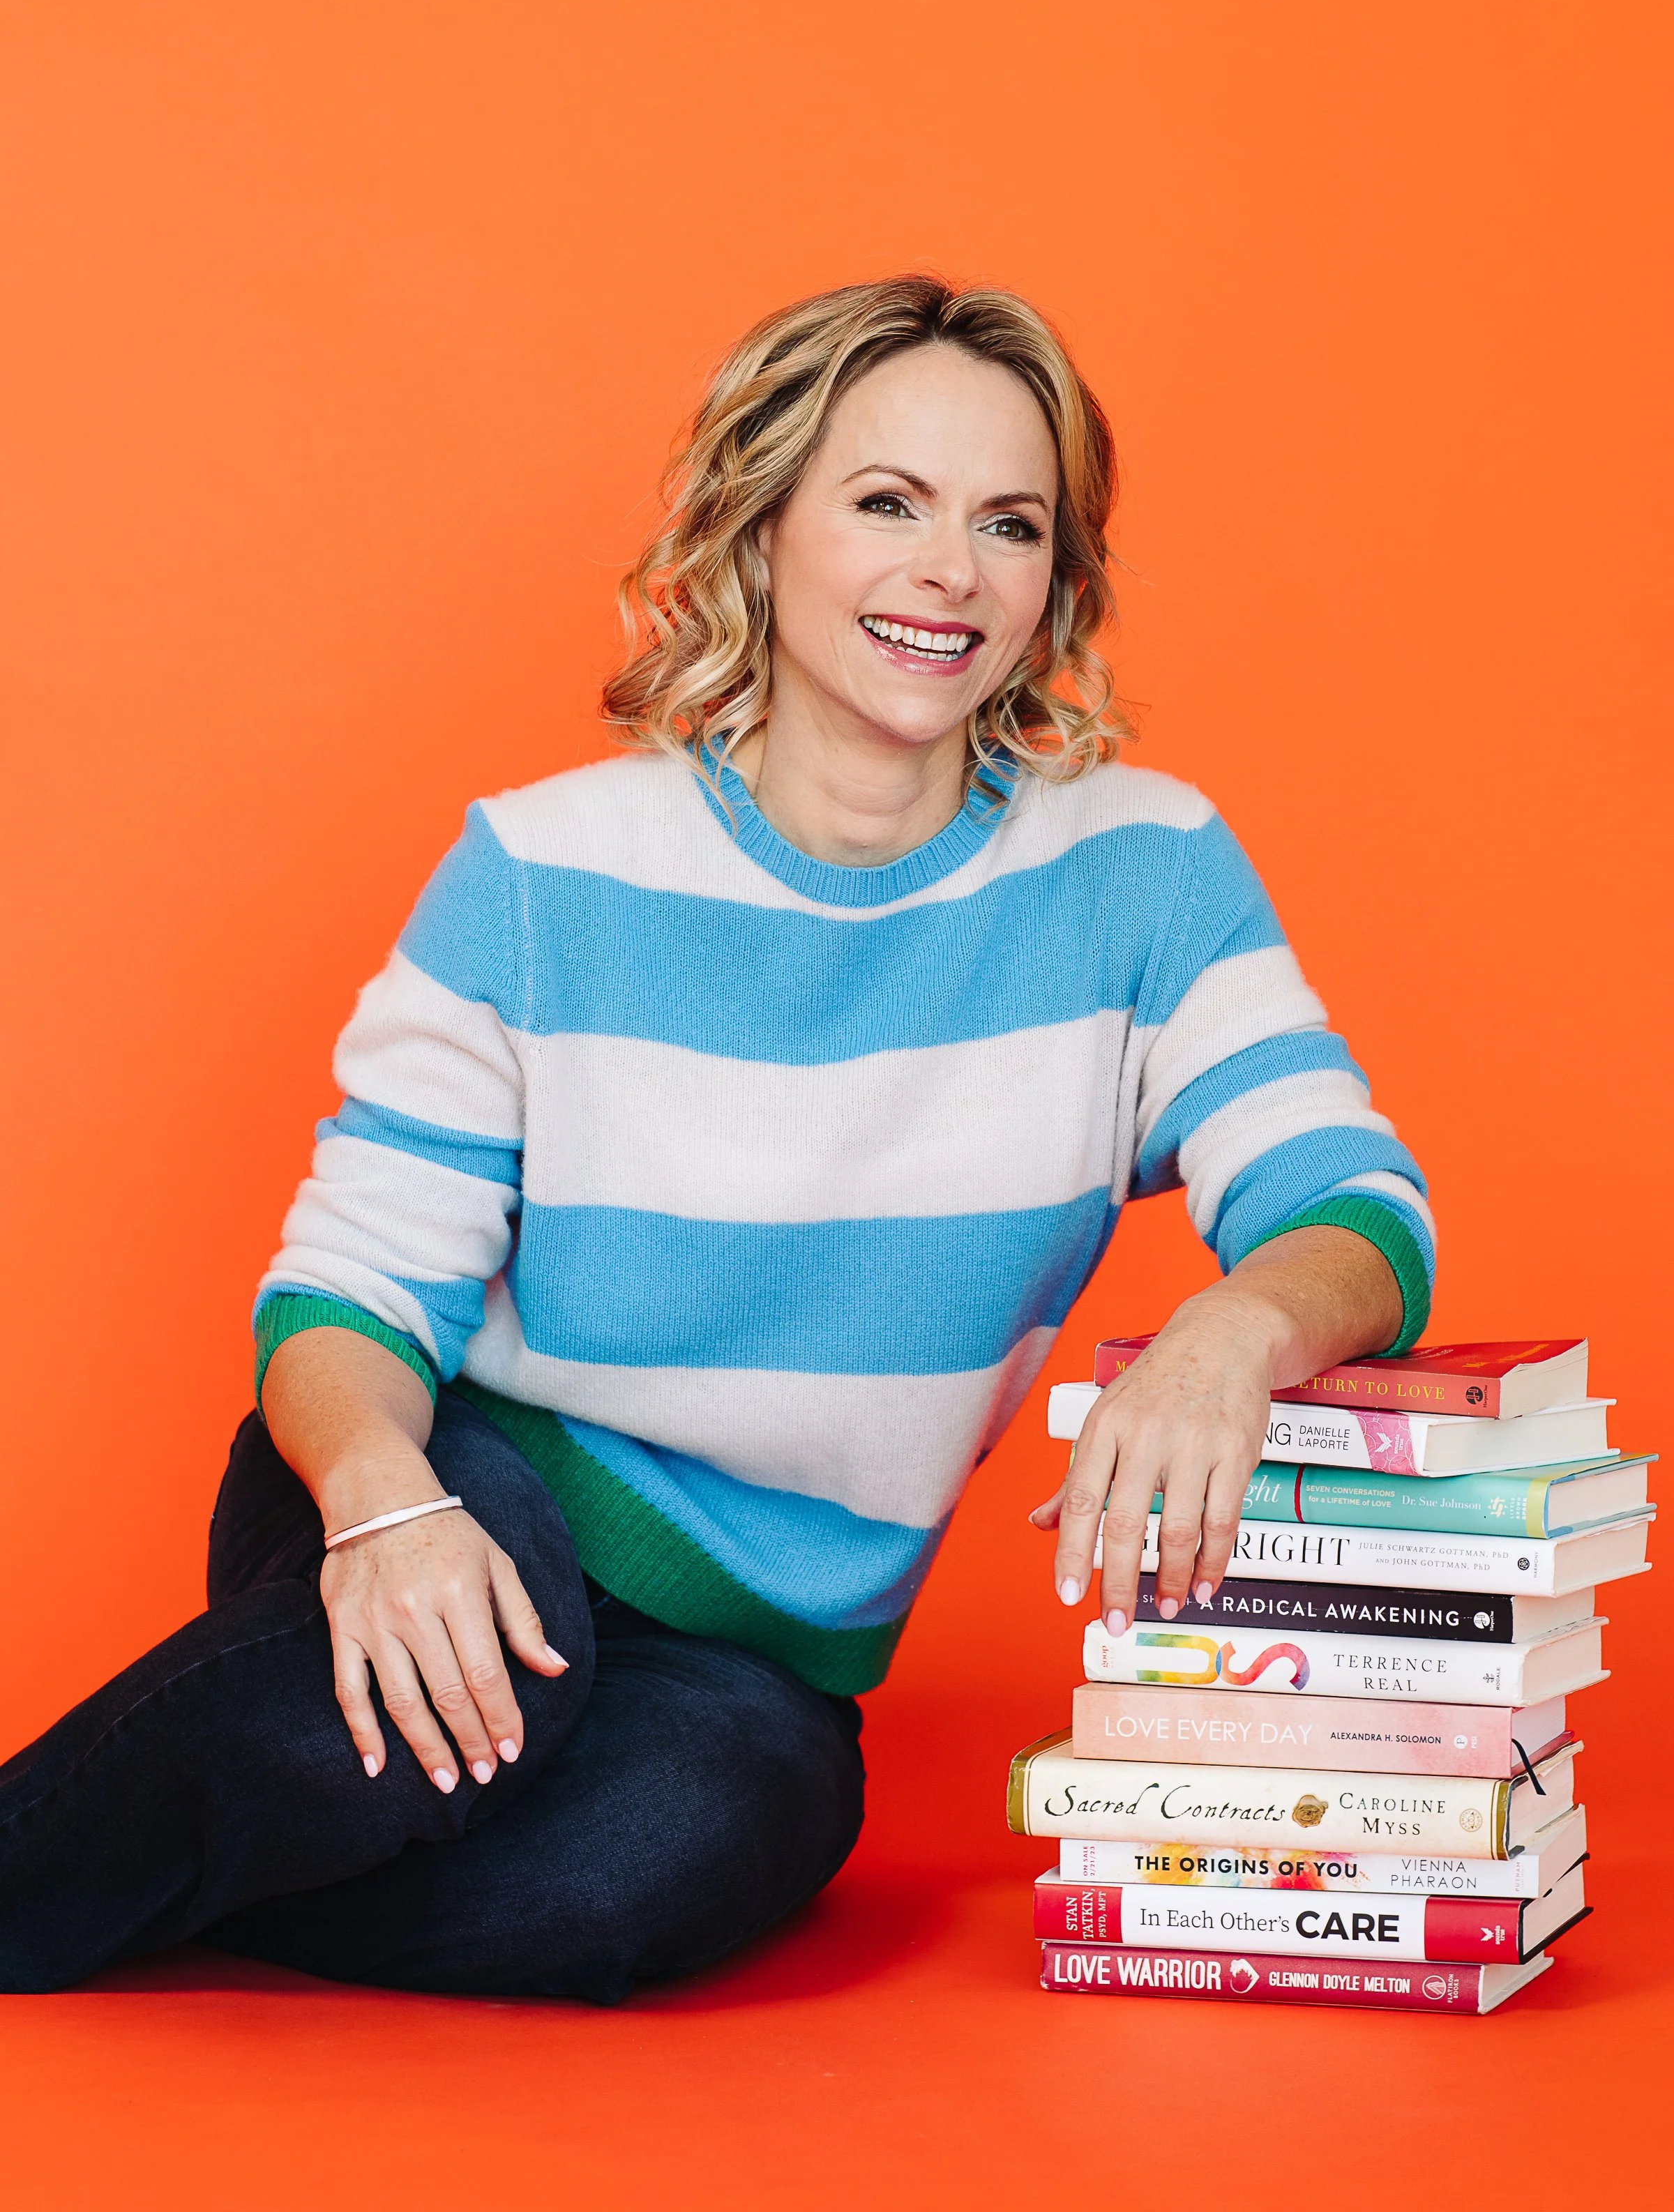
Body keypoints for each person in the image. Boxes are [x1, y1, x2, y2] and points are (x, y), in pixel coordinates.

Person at [0, 276, 1429, 1998]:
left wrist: (1233, 1330)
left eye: (1010, 523)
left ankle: (205, 1878)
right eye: (887, 503)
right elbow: (349, 1297)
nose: (948, 571)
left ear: (1059, 582)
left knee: (667, 1866)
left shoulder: (1139, 872)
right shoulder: (543, 872)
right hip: (457, 1483)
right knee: (487, 1678)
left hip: (754, 1656)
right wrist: (382, 1503)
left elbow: (1350, 1198)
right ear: (763, 534)